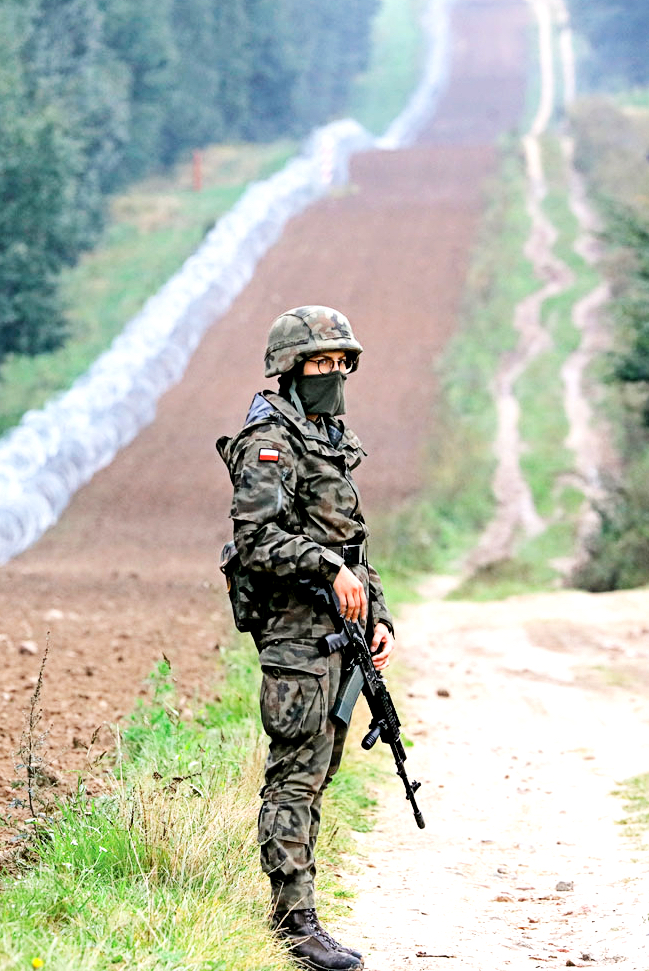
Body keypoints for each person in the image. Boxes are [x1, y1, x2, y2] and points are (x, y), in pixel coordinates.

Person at [215, 305, 396, 971]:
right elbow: (256, 538)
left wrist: (376, 615)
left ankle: (305, 915)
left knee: (319, 776)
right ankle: (293, 923)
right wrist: (327, 568)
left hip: (338, 636)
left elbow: (352, 541)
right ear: (290, 367)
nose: (334, 373)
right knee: (294, 775)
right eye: (321, 363)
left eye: (339, 362)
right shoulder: (269, 439)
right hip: (294, 636)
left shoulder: (325, 434)